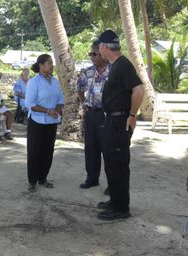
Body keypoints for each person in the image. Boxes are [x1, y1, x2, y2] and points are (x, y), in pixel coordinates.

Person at [96, 30, 144, 221]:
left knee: (118, 165)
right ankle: (115, 200)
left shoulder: (123, 65)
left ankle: (121, 208)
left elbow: (139, 90)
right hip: (112, 121)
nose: (99, 49)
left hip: (119, 121)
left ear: (106, 47)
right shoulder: (115, 65)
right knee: (111, 163)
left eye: (100, 46)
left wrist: (132, 115)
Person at [25, 54, 65, 192]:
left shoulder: (55, 82)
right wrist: (48, 111)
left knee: (48, 151)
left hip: (51, 121)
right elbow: (30, 104)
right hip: (37, 121)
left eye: (52, 63)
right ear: (41, 65)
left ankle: (43, 178)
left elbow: (61, 100)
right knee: (34, 151)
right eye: (49, 63)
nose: (52, 65)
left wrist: (57, 110)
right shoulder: (33, 82)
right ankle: (32, 181)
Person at [77, 41, 110, 193]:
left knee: (108, 149)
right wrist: (83, 103)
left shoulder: (113, 70)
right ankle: (92, 179)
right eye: (90, 54)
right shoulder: (87, 72)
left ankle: (113, 184)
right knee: (91, 148)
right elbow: (80, 88)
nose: (92, 57)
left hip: (106, 116)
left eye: (94, 54)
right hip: (90, 114)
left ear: (103, 54)